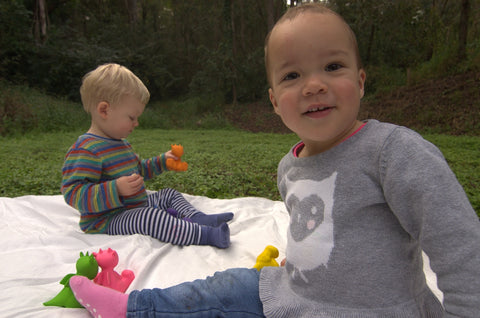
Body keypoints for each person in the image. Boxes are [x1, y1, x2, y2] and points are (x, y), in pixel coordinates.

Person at [68, 4, 480, 317]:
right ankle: (131, 307)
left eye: (332, 66)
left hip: (374, 309)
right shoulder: (290, 166)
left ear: (359, 81)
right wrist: (301, 261)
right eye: (292, 76)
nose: (314, 85)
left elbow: (460, 246)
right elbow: (321, 229)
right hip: (294, 294)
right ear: (274, 102)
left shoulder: (394, 152)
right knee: (221, 287)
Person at [61, 63, 232, 249]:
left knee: (169, 194)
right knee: (151, 218)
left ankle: (199, 219)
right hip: (107, 219)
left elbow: (139, 170)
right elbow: (73, 193)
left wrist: (162, 162)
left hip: (134, 205)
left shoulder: (120, 143)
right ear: (104, 110)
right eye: (131, 118)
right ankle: (205, 234)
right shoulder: (87, 149)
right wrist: (115, 189)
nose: (136, 123)